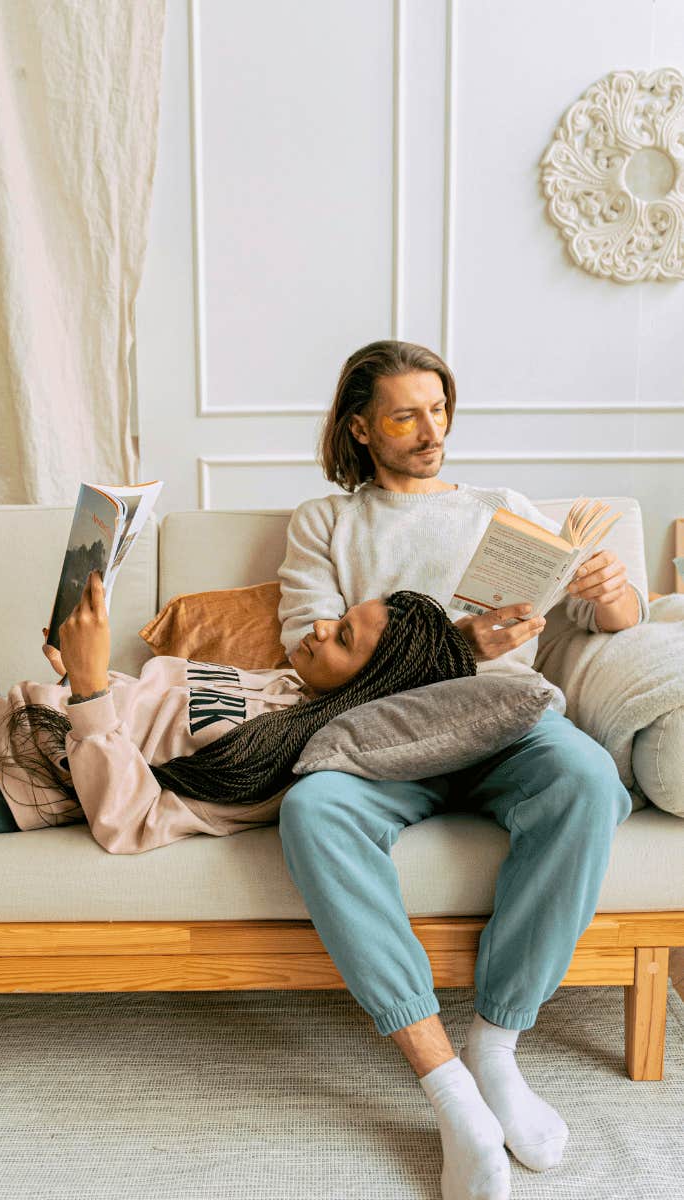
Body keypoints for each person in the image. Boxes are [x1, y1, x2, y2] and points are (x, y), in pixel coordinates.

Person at [276, 339, 647, 1200]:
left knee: (590, 781)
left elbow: (610, 623)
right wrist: (452, 643)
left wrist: (609, 585)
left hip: (508, 722)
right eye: (405, 415)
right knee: (313, 810)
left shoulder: (500, 506)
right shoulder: (326, 522)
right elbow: (313, 661)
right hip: (385, 732)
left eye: (438, 409)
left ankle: (498, 1048)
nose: (430, 430)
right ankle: (449, 1090)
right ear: (361, 428)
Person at [0, 575, 475, 856]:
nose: (321, 626)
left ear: (370, 686)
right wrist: (73, 671)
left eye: (343, 639)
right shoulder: (287, 683)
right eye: (342, 617)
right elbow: (138, 715)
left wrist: (87, 687)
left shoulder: (274, 756)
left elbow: (131, 820)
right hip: (16, 715)